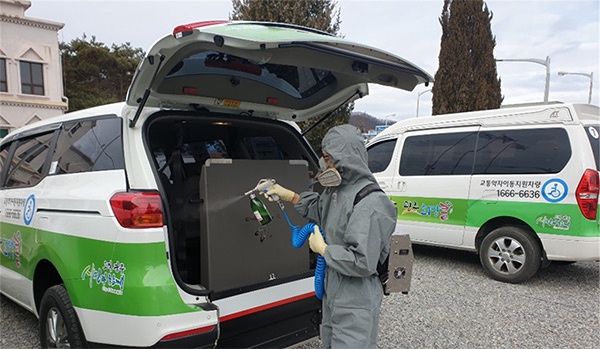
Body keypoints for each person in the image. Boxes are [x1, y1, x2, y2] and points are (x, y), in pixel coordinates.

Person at [266, 124, 397, 349]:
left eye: (328, 158)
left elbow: (362, 261)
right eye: (324, 157)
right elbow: (320, 209)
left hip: (356, 295)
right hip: (334, 286)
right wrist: (289, 196)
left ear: (346, 158)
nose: (324, 164)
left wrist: (325, 250)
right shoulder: (337, 190)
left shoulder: (371, 202)